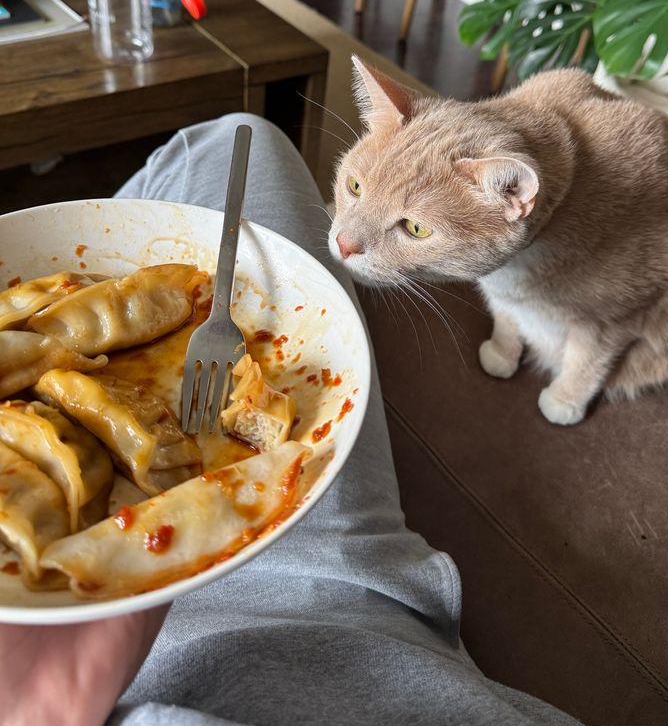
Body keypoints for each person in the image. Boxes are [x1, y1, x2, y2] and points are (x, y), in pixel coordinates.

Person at [1, 114, 579, 726]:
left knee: (235, 132)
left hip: (140, 649)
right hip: (356, 610)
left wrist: (40, 712)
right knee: (241, 131)